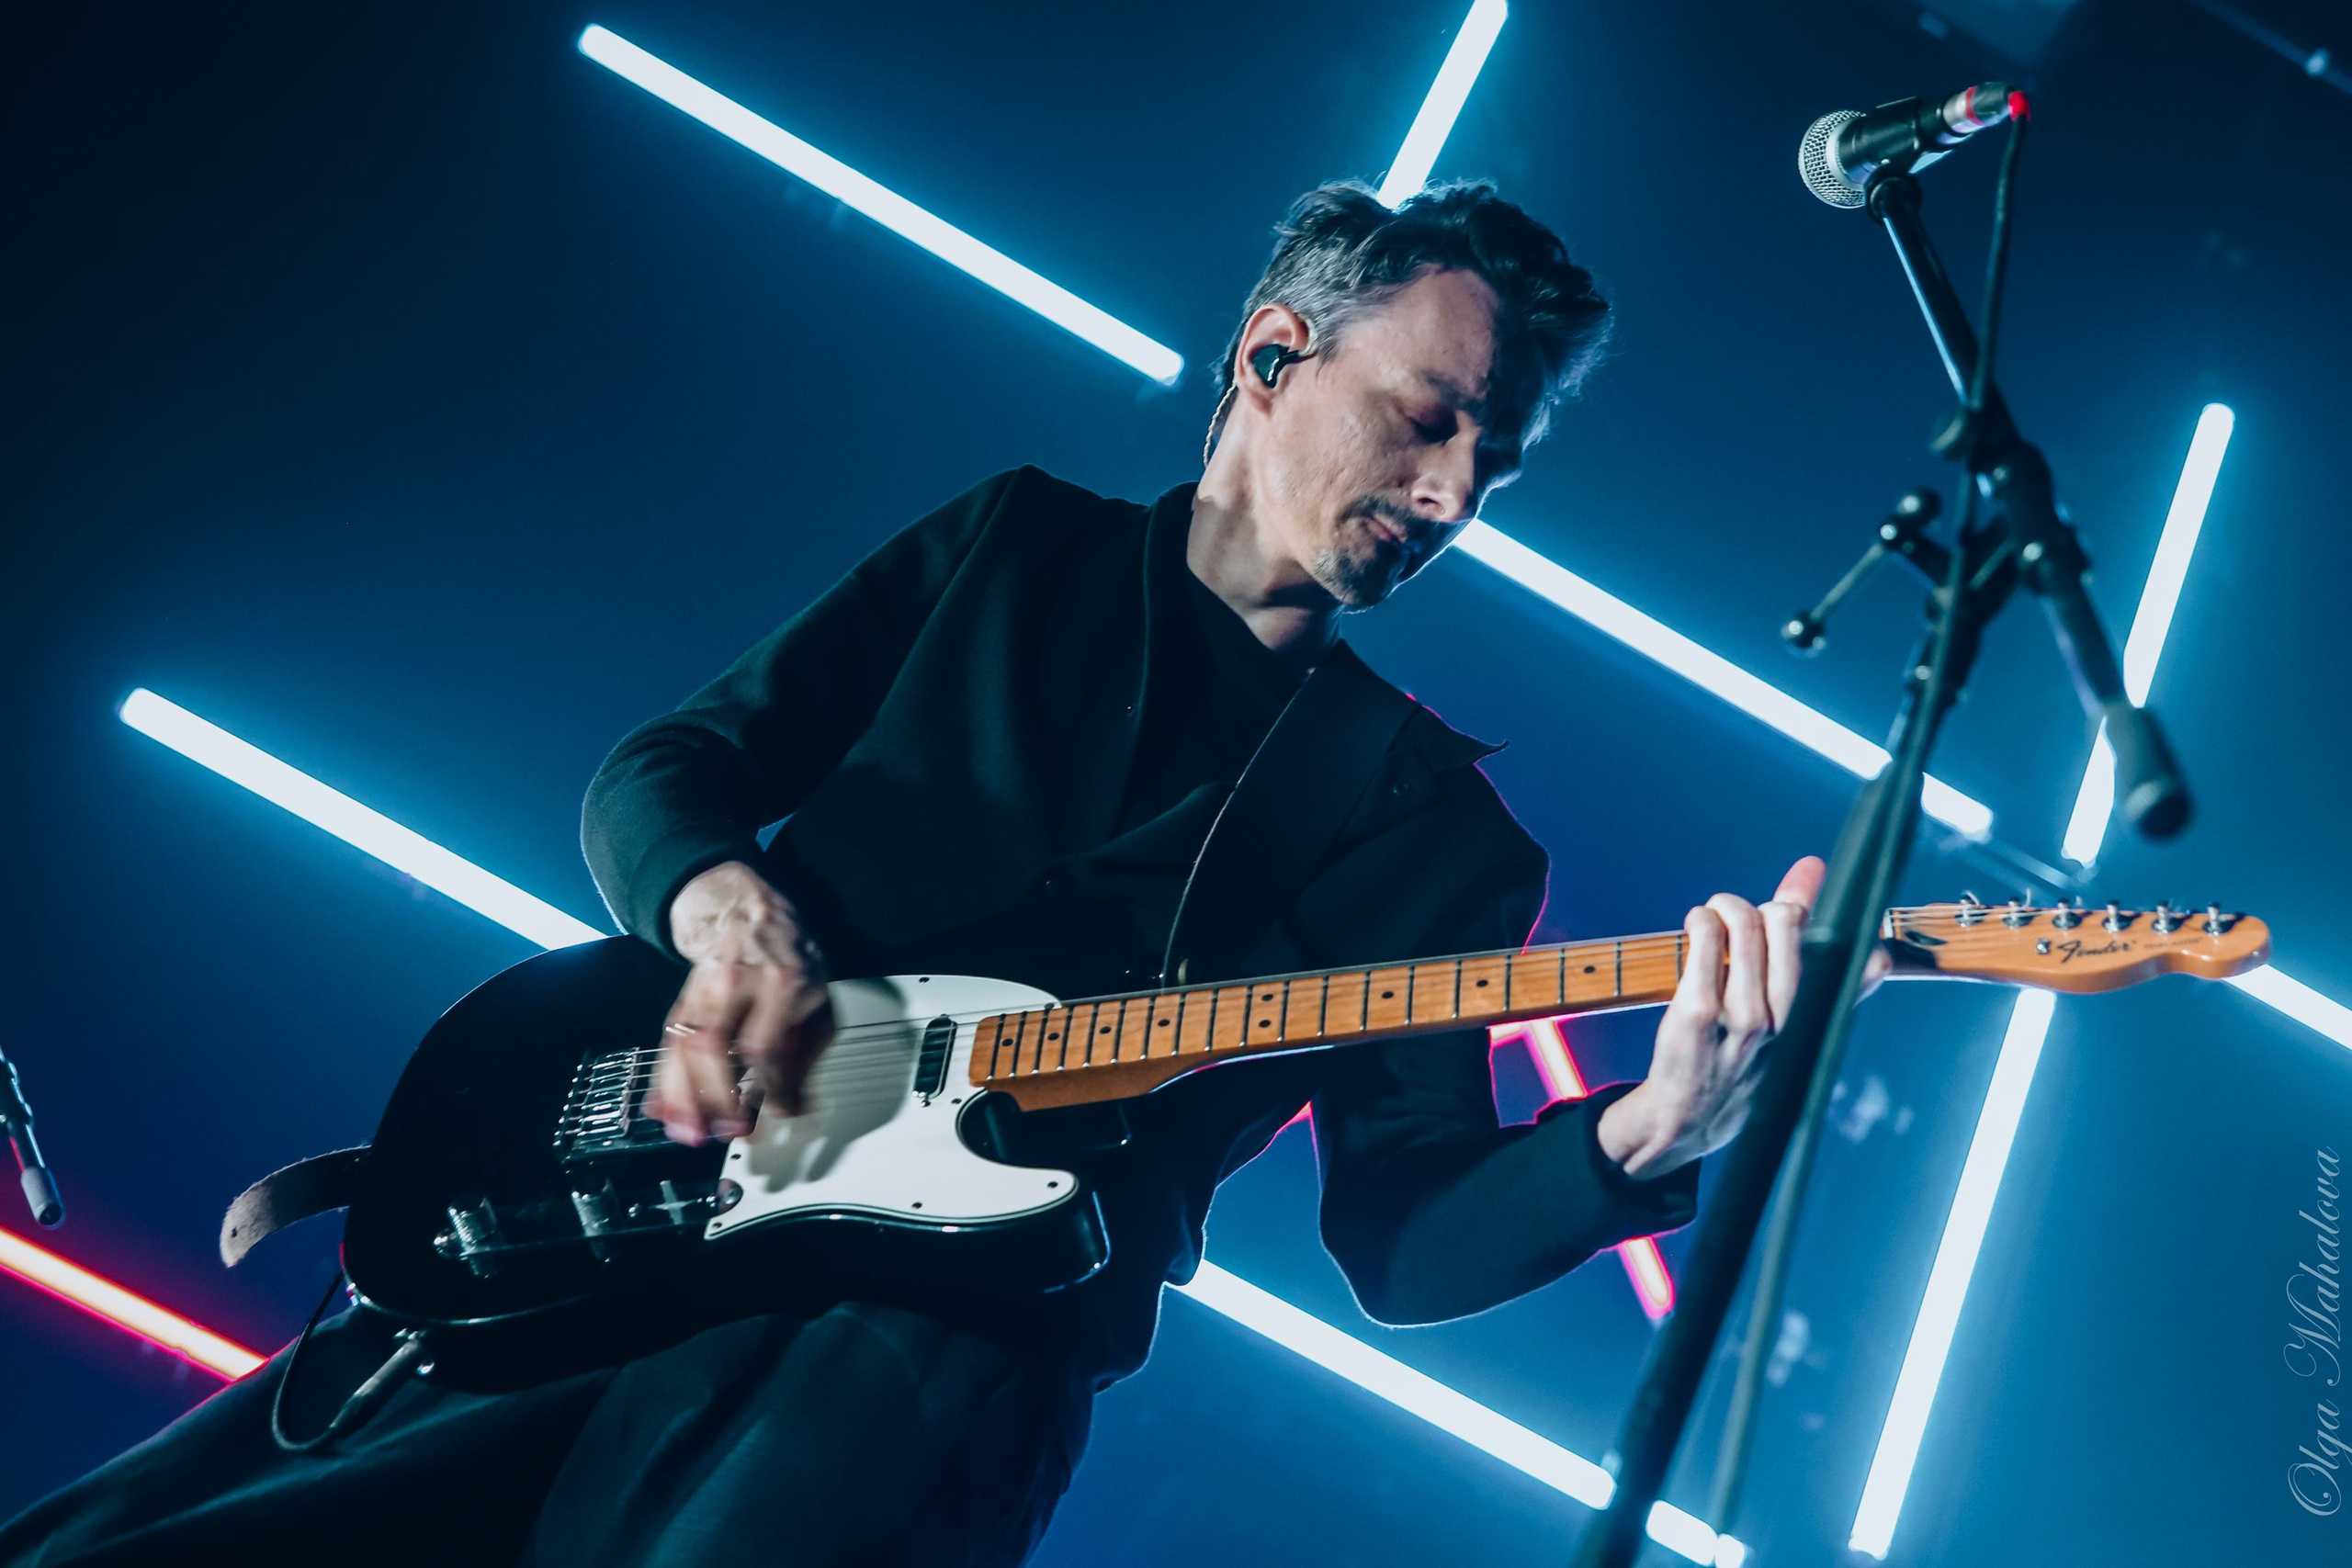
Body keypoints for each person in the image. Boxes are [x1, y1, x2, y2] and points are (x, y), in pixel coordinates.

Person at [0, 178, 1880, 1568]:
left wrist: (1647, 1134)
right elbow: (673, 765)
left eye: (1499, 458)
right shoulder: (1014, 547)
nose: (1459, 491)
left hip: (915, 1375)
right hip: (615, 1222)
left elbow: (1399, 1238)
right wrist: (726, 909)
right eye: (1427, 414)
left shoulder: (1439, 842)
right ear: (1268, 353)